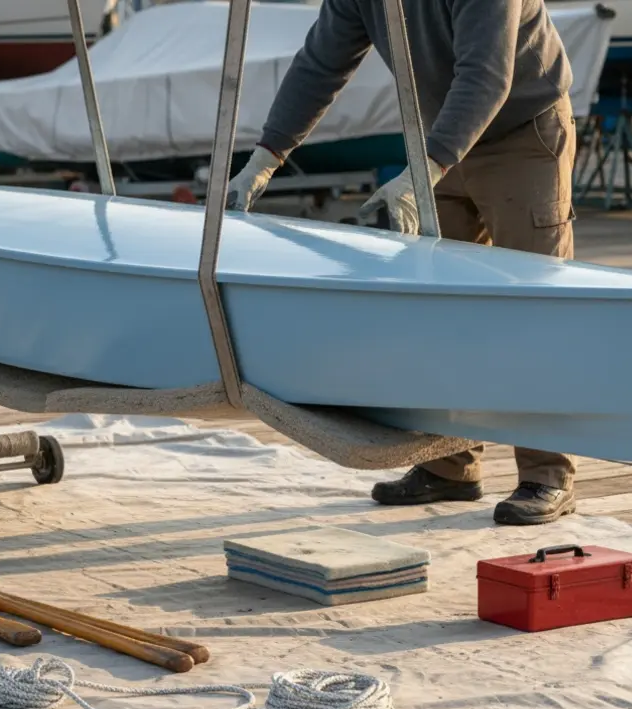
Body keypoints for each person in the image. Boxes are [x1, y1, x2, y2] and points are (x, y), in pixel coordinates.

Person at [226, 0, 579, 525]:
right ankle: (448, 466)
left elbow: (486, 76)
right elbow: (321, 64)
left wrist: (422, 173)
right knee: (438, 308)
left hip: (520, 133)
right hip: (438, 137)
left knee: (534, 306)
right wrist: (265, 158)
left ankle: (547, 475)